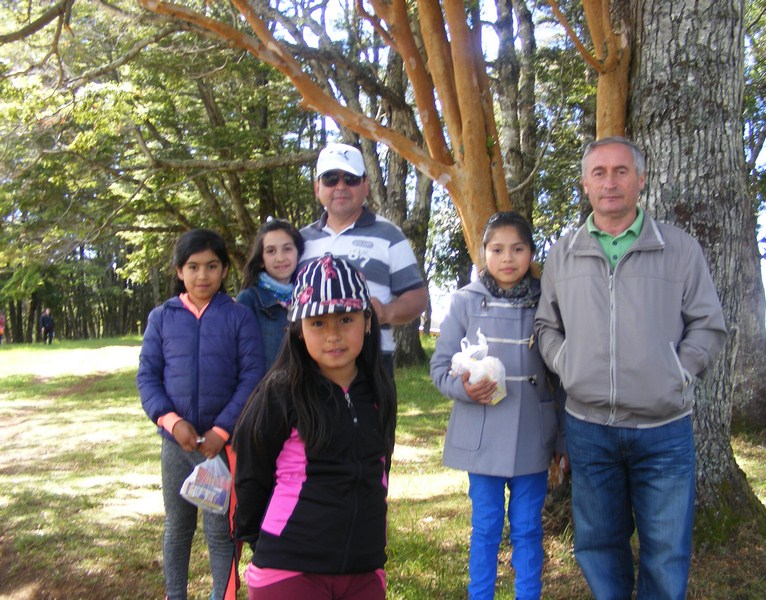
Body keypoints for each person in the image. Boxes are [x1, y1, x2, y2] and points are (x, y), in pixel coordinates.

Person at [534, 136, 727, 600]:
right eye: (599, 173)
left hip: (663, 430)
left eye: (621, 171)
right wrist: (569, 365)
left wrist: (678, 373)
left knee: (666, 552)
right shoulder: (563, 253)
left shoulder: (679, 248)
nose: (610, 182)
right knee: (598, 545)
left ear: (640, 180)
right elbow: (546, 326)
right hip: (589, 427)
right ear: (585, 184)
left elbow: (708, 324)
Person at [233, 254, 397, 600]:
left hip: (365, 568)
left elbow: (381, 471)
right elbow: (251, 474)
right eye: (318, 323)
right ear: (298, 329)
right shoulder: (281, 392)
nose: (333, 335)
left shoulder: (380, 391)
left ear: (367, 321)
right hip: (290, 568)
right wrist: (259, 539)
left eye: (346, 319)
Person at [430, 212, 565, 600]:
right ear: (483, 253)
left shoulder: (547, 301)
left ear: (531, 253)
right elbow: (439, 368)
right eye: (497, 249)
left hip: (533, 436)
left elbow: (563, 376)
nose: (508, 258)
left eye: (518, 249)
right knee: (486, 526)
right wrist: (464, 389)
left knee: (527, 528)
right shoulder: (465, 301)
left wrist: (564, 441)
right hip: (482, 435)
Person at [137, 229, 265, 600]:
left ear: (224, 270)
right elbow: (147, 377)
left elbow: (252, 378)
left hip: (220, 449)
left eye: (211, 266)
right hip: (175, 446)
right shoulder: (162, 318)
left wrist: (222, 431)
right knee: (178, 528)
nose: (202, 275)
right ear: (180, 271)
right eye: (193, 267)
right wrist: (171, 422)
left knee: (219, 532)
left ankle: (220, 596)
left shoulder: (239, 317)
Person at [299, 142, 428, 377]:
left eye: (351, 179)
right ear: (317, 187)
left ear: (365, 185)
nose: (340, 186)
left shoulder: (390, 235)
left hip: (372, 360)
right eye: (330, 179)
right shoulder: (299, 241)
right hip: (310, 364)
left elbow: (418, 298)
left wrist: (386, 312)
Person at [237, 217, 304, 369]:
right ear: (261, 259)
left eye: (287, 249)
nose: (280, 258)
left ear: (298, 254)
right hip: (267, 383)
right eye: (271, 251)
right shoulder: (249, 300)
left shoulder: (308, 297)